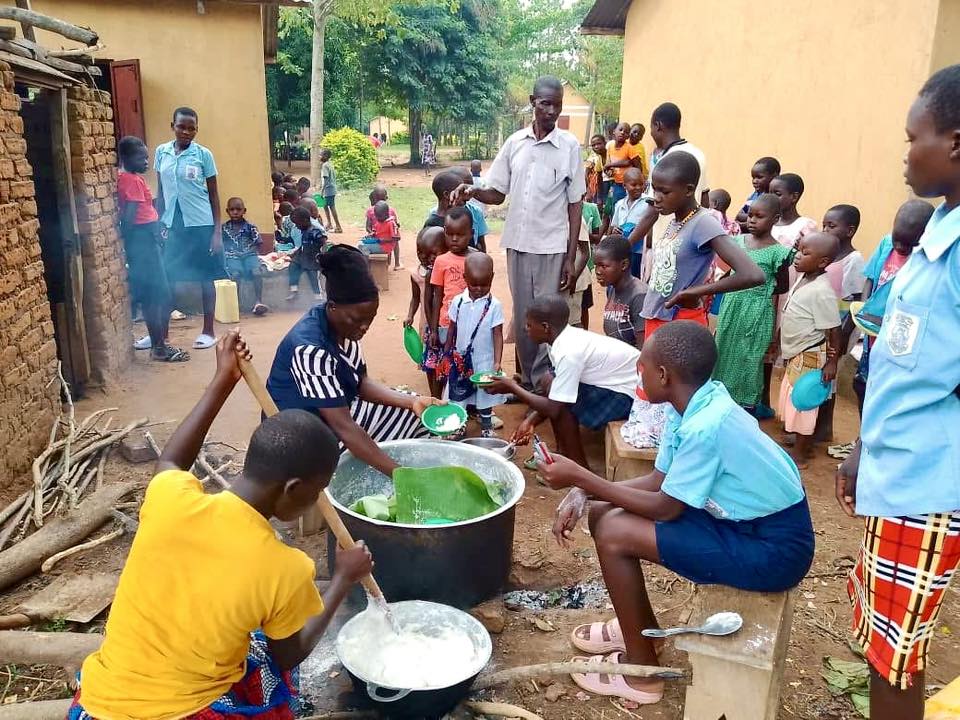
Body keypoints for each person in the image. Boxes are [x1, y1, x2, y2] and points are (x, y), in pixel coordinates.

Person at [69, 332, 374, 719]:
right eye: (319, 490)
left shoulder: (170, 498)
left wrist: (222, 381)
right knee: (270, 656)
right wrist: (342, 580)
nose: (318, 500)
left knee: (253, 643)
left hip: (97, 703)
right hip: (179, 713)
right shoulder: (285, 568)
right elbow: (289, 653)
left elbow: (171, 462)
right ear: (293, 488)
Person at [539, 321, 814, 705]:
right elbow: (658, 480)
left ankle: (642, 678)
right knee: (604, 516)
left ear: (664, 375)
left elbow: (665, 508)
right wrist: (587, 493)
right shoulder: (688, 404)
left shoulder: (705, 425)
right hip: (740, 522)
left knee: (615, 532)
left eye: (642, 368)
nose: (638, 373)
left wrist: (582, 475)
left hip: (774, 547)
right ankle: (643, 634)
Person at [837, 64, 960, 720]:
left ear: (956, 143)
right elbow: (905, 363)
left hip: (929, 483)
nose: (906, 154)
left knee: (894, 659)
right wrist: (863, 447)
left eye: (915, 138)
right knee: (884, 644)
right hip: (898, 467)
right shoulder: (938, 232)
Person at [450, 76, 586, 388]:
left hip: (552, 246)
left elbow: (575, 203)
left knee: (548, 317)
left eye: (557, 105)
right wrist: (472, 191)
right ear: (532, 101)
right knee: (525, 316)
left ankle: (548, 384)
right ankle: (527, 382)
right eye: (545, 103)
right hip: (519, 244)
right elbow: (497, 192)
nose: (551, 111)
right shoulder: (515, 144)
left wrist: (569, 257)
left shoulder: (568, 147)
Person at [268, 246, 442, 479]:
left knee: (415, 416)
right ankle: (390, 477)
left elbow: (360, 382)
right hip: (302, 435)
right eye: (357, 320)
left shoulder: (345, 330)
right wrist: (402, 475)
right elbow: (344, 428)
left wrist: (412, 402)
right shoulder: (310, 349)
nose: (364, 327)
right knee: (363, 454)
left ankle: (398, 471)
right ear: (332, 307)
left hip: (335, 413)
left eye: (370, 319)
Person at [487, 295, 640, 469]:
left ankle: (580, 471)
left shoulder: (569, 353)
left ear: (545, 328)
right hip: (613, 382)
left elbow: (555, 407)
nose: (525, 328)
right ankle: (564, 452)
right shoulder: (560, 339)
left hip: (631, 395)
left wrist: (512, 387)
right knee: (549, 380)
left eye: (529, 325)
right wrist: (530, 421)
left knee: (564, 408)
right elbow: (555, 393)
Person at [641, 151, 764, 339]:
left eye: (665, 192)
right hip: (659, 318)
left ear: (689, 190)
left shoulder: (703, 222)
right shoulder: (675, 221)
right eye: (655, 189)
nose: (657, 197)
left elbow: (753, 274)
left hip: (679, 323)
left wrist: (695, 292)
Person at [839, 200, 933, 419]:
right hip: (870, 331)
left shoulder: (926, 260)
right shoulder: (885, 244)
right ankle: (862, 439)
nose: (900, 247)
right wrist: (862, 311)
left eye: (908, 244)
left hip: (896, 339)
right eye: (897, 239)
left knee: (885, 391)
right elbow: (870, 279)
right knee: (862, 384)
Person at [713, 194, 792, 411]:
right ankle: (720, 400)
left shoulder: (779, 253)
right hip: (731, 306)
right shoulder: (737, 242)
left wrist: (758, 290)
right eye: (750, 215)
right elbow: (728, 274)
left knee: (749, 357)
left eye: (760, 216)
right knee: (724, 350)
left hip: (757, 313)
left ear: (775, 219)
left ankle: (745, 407)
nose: (752, 220)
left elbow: (783, 286)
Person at [154, 107, 222, 350]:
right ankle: (161, 335)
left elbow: (214, 194)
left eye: (192, 128)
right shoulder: (161, 153)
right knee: (167, 279)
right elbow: (161, 191)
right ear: (172, 125)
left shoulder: (204, 155)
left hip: (201, 224)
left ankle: (208, 331)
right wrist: (159, 221)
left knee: (206, 277)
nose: (187, 132)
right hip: (173, 224)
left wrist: (216, 232)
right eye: (182, 126)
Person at [118, 136, 188, 362]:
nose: (146, 162)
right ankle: (158, 347)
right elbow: (130, 217)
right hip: (142, 242)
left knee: (155, 295)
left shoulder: (130, 178)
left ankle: (159, 345)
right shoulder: (132, 181)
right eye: (141, 157)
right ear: (126, 158)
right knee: (157, 295)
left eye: (147, 157)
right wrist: (130, 244)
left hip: (145, 241)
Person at [776, 232, 840, 468]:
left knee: (804, 401)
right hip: (796, 352)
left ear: (823, 262)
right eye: (799, 250)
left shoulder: (822, 291)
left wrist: (832, 363)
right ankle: (799, 439)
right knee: (794, 396)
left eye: (805, 253)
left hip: (810, 354)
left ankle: (801, 453)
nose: (797, 257)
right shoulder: (804, 278)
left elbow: (834, 329)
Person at [442, 253, 505, 438]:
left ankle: (486, 426)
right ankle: (457, 425)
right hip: (461, 358)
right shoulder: (458, 302)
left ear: (492, 278)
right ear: (465, 278)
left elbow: (498, 333)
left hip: (484, 359)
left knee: (485, 395)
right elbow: (452, 327)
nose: (478, 289)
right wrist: (447, 351)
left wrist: (497, 361)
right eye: (473, 284)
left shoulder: (494, 305)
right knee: (457, 393)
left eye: (484, 285)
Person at [405, 227, 447, 398]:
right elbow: (415, 298)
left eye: (431, 253)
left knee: (446, 361)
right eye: (420, 251)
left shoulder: (447, 270)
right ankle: (435, 398)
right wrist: (410, 315)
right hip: (428, 323)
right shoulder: (417, 274)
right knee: (431, 360)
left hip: (444, 323)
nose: (424, 256)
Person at [429, 207, 474, 351]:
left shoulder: (476, 260)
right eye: (450, 234)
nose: (454, 239)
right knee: (447, 364)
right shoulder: (441, 261)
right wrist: (434, 329)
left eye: (460, 234)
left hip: (471, 323)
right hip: (446, 323)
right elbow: (437, 296)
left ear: (471, 234)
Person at [595, 235, 646, 347]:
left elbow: (643, 347)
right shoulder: (612, 288)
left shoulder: (639, 296)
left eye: (603, 266)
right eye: (596, 266)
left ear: (624, 265)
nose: (597, 271)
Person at [222, 197, 268, 316]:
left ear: (244, 210)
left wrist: (247, 252)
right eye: (232, 209)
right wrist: (233, 253)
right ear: (227, 211)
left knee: (257, 272)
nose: (235, 212)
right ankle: (235, 305)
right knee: (236, 274)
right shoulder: (224, 228)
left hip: (249, 255)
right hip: (232, 256)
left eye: (238, 209)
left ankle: (258, 302)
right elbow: (221, 245)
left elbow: (258, 244)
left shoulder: (251, 227)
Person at [603, 167, 648, 279]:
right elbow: (612, 228)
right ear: (624, 186)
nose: (638, 188)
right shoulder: (619, 204)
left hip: (639, 252)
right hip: (622, 252)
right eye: (633, 185)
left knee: (636, 279)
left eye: (641, 184)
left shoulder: (648, 203)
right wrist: (614, 231)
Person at [822, 204, 866, 306]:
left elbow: (857, 298)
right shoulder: (824, 255)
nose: (825, 230)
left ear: (850, 231)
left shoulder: (854, 259)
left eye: (831, 226)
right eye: (823, 226)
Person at [286, 207, 326, 303]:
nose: (296, 226)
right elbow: (304, 245)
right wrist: (294, 253)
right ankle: (294, 291)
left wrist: (323, 255)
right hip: (303, 256)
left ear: (305, 220)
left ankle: (318, 297)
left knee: (313, 276)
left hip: (313, 258)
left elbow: (323, 242)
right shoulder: (304, 231)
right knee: (293, 267)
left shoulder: (314, 231)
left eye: (297, 223)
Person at [770, 173, 818, 249]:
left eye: (777, 194)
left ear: (794, 197)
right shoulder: (768, 222)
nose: (772, 198)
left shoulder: (805, 225)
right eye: (770, 194)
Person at [605, 122, 644, 206]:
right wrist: (609, 171)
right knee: (616, 206)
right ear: (614, 131)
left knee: (629, 206)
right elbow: (608, 164)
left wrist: (638, 183)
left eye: (626, 132)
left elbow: (638, 165)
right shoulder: (610, 147)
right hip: (617, 183)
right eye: (620, 130)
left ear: (628, 136)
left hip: (629, 185)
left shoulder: (630, 148)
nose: (622, 132)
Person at [735, 156, 781, 225]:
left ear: (774, 176)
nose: (754, 181)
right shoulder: (754, 195)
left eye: (759, 177)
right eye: (753, 178)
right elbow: (739, 216)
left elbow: (770, 222)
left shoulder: (777, 198)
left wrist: (746, 223)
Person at [359, 200, 401, 268]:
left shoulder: (391, 223)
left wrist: (384, 240)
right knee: (360, 243)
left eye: (379, 216)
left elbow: (397, 238)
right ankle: (369, 263)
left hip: (385, 247)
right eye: (376, 216)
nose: (377, 218)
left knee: (362, 247)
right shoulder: (379, 221)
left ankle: (367, 266)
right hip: (379, 243)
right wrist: (372, 234)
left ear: (386, 214)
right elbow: (376, 231)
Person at [319, 149, 343, 233]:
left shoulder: (325, 166)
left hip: (328, 189)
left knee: (331, 207)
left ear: (325, 156)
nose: (320, 157)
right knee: (325, 206)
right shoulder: (329, 164)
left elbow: (325, 179)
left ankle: (338, 226)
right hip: (331, 188)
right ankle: (329, 223)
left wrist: (322, 191)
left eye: (321, 155)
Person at [585, 134, 608, 212]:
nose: (596, 147)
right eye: (593, 145)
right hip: (598, 188)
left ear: (605, 143)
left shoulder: (611, 155)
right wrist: (589, 191)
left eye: (599, 144)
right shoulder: (594, 158)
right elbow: (587, 174)